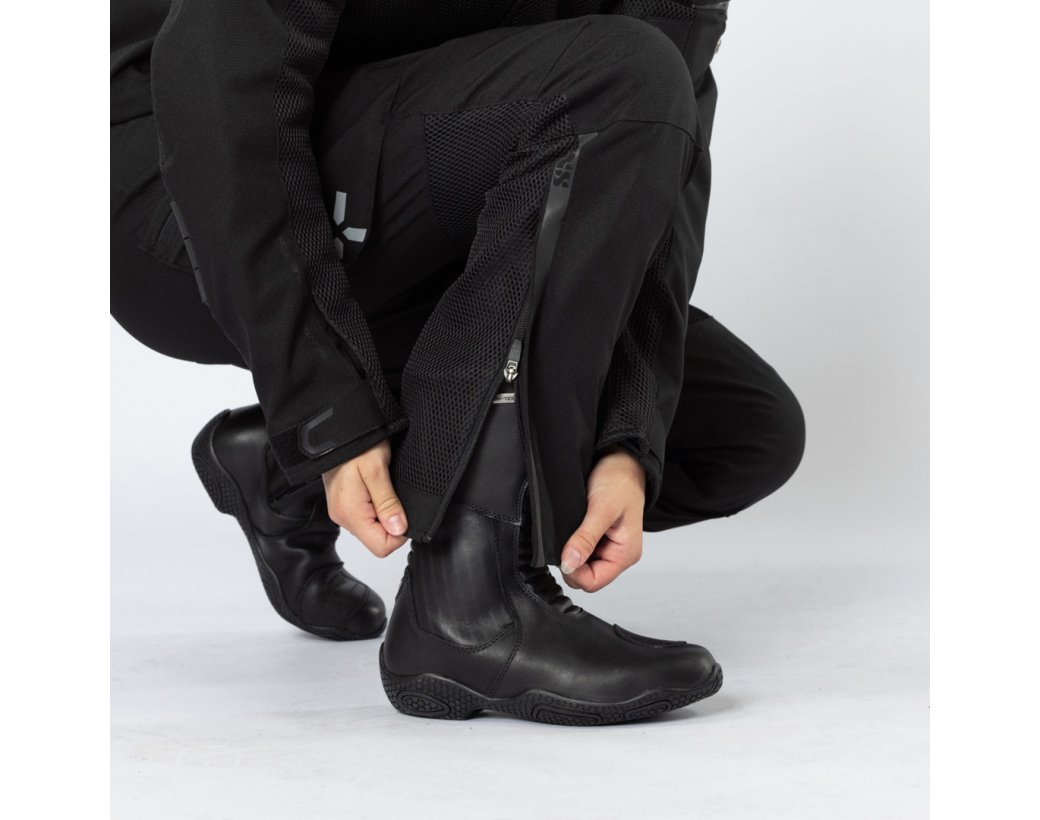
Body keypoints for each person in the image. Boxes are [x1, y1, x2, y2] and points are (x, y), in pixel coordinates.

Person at [111, 0, 805, 725]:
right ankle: (468, 608)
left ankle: (281, 475)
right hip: (187, 198)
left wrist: (628, 436)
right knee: (622, 70)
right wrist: (321, 408)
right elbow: (217, 84)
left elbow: (656, 166)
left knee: (737, 434)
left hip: (421, 186)